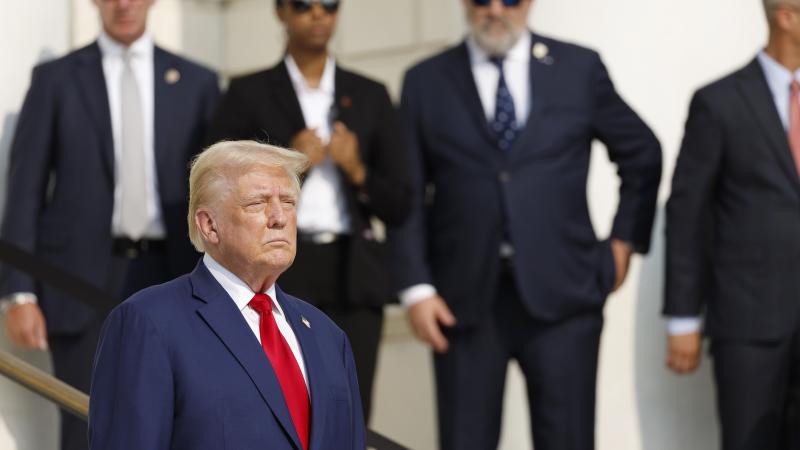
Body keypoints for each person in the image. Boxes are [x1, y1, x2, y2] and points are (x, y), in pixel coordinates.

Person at [392, 0, 662, 448]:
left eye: (510, 0)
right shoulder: (425, 80)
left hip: (566, 296)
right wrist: (416, 287)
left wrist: (622, 242)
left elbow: (643, 154)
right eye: (482, 0)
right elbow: (407, 193)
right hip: (462, 302)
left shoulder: (577, 66)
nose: (496, 10)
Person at [0, 1, 218, 448]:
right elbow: (25, 190)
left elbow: (219, 191)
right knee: (87, 426)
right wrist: (17, 292)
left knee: (178, 424)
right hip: (77, 283)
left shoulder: (198, 82)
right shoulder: (55, 79)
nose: (124, 4)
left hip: (175, 275)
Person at [89, 140, 365, 450]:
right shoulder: (148, 323)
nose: (279, 217)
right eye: (257, 203)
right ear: (209, 225)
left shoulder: (328, 336)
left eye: (288, 202)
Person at [207, 0, 410, 420]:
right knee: (276, 406)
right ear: (280, 12)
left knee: (350, 411)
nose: (317, 14)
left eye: (329, 5)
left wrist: (358, 171)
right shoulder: (247, 93)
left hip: (354, 273)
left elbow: (401, 202)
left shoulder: (370, 94)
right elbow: (218, 185)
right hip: (277, 270)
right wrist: (289, 161)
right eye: (303, 5)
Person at [665, 1, 800, 447]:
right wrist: (683, 317)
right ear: (788, 16)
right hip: (750, 324)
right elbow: (687, 214)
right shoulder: (720, 101)